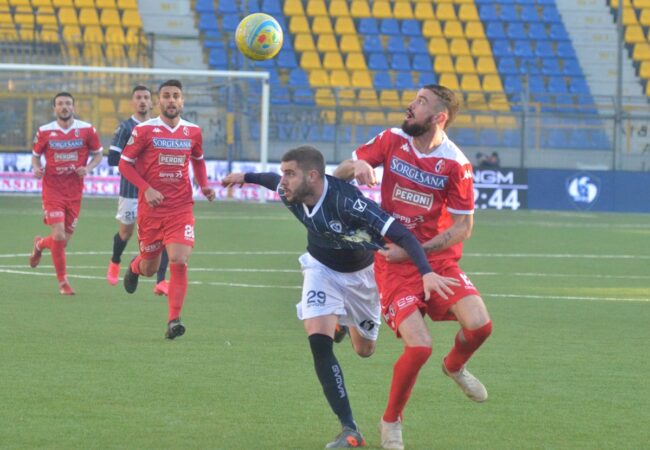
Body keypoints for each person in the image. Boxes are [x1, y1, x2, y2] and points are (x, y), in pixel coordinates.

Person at [222, 146, 459, 449]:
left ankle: (342, 324)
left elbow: (402, 235)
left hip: (363, 277)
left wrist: (426, 272)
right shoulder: (289, 192)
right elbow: (270, 180)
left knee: (365, 350)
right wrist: (245, 176)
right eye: (284, 173)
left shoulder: (349, 203)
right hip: (320, 269)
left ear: (312, 175)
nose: (283, 181)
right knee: (319, 345)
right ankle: (350, 428)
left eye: (290, 174)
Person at [335, 85, 493, 450]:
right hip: (392, 262)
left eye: (421, 102)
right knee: (419, 347)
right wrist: (357, 165)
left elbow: (463, 227)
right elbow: (340, 172)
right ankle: (391, 421)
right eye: (414, 99)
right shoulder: (392, 139)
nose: (410, 105)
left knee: (480, 326)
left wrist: (416, 252)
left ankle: (454, 366)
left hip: (437, 260)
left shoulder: (455, 163)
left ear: (439, 117)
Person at [118, 79, 216, 339]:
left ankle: (174, 320)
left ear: (182, 101)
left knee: (179, 260)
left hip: (180, 208)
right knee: (150, 267)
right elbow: (124, 164)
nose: (171, 100)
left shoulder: (193, 131)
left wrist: (204, 185)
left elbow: (198, 160)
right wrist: (146, 189)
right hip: (151, 210)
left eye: (176, 96)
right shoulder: (144, 130)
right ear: (158, 101)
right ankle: (135, 267)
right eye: (166, 96)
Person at [29, 92, 103, 295]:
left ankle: (39, 245)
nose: (64, 107)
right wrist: (36, 168)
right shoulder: (45, 131)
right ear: (54, 108)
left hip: (74, 192)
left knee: (62, 242)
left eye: (68, 103)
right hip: (52, 189)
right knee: (59, 234)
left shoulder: (87, 130)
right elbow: (35, 156)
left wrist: (87, 168)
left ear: (73, 107)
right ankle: (63, 283)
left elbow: (98, 154)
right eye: (60, 104)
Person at [106, 85, 170, 295]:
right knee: (126, 232)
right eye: (138, 97)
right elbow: (113, 159)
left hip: (157, 190)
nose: (142, 101)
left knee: (165, 234)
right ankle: (116, 260)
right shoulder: (126, 128)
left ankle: (161, 280)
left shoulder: (160, 127)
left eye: (146, 97)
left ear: (152, 102)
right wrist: (140, 159)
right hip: (131, 190)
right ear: (132, 102)